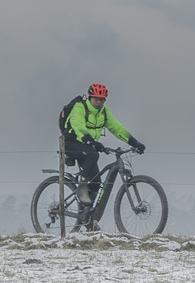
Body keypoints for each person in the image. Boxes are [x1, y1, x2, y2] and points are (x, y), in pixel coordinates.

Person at [61, 83, 145, 229]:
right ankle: (81, 188)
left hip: (87, 146)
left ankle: (87, 218)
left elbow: (116, 127)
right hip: (71, 143)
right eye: (96, 99)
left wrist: (134, 142)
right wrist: (90, 140)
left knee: (96, 182)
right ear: (90, 97)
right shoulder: (80, 107)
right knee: (93, 155)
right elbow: (78, 125)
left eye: (102, 99)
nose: (99, 102)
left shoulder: (103, 112)